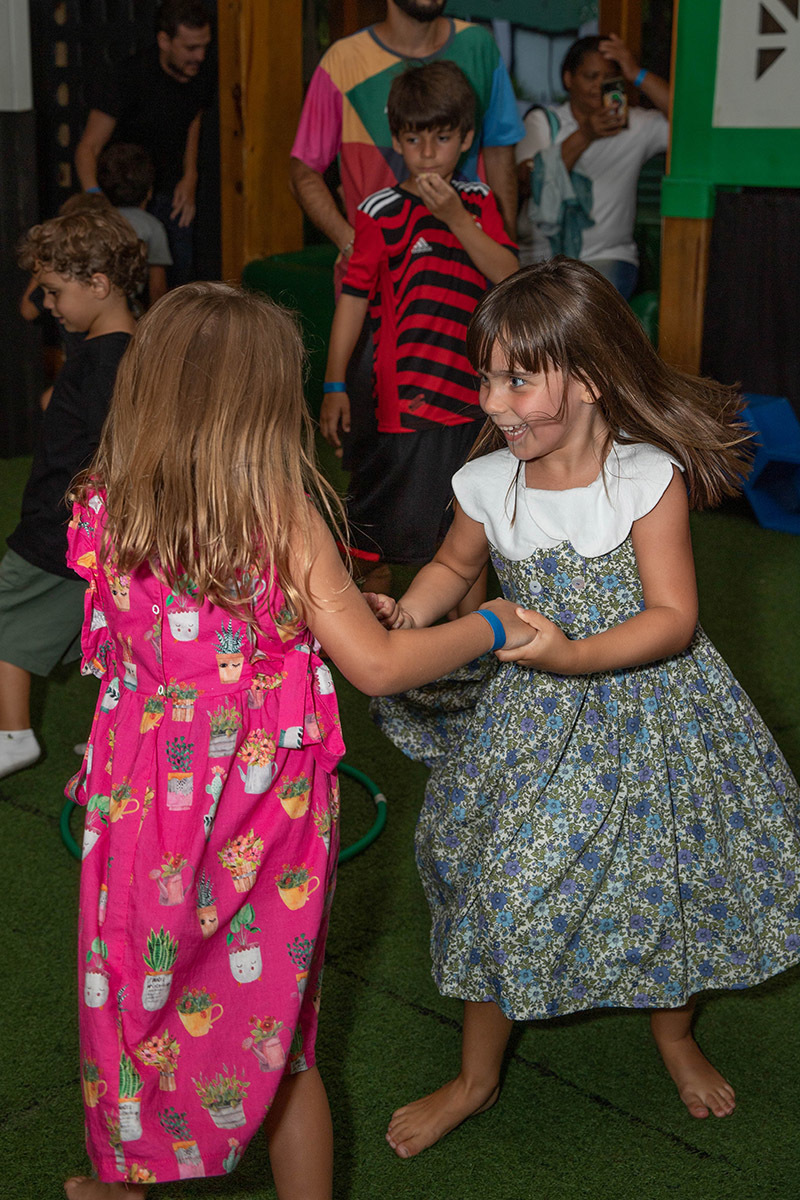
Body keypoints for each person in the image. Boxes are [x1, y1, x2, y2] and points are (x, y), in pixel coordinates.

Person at [60, 282, 535, 1199]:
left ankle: (118, 1180)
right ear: (259, 401)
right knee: (274, 1026)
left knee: (131, 994)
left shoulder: (102, 505)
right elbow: (381, 668)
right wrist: (495, 626)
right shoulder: (278, 514)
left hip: (140, 797)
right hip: (254, 809)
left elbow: (133, 649)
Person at [367, 258, 800, 1159]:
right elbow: (453, 568)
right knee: (496, 879)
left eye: (517, 378)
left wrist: (568, 652)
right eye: (486, 375)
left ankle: (674, 1035)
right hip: (530, 723)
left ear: (592, 377)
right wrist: (405, 615)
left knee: (670, 882)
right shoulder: (489, 482)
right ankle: (477, 1077)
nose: (493, 399)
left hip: (654, 717)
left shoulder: (646, 478)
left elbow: (673, 619)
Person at [322, 61, 518, 596]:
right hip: (404, 405)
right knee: (375, 527)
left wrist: (458, 220)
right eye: (414, 138)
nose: (428, 151)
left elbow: (509, 277)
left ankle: (463, 663)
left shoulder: (477, 203)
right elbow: (353, 301)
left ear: (467, 138)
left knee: (463, 532)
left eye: (443, 136)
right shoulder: (378, 212)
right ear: (396, 140)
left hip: (475, 400)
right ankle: (376, 630)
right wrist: (335, 383)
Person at [0, 210, 145, 782]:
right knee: (112, 638)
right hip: (78, 530)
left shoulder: (109, 358)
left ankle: (12, 736)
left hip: (60, 531)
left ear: (99, 286)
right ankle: (115, 740)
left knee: (5, 617)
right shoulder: (111, 348)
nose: (49, 303)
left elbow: (117, 451)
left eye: (56, 291)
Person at [290, 0, 525, 259]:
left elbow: (499, 151)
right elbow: (303, 172)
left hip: (469, 272)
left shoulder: (478, 44)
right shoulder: (343, 60)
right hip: (377, 278)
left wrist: (507, 253)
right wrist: (350, 244)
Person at [515, 33, 669, 297]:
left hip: (607, 259)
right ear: (568, 79)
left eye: (608, 77)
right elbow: (528, 182)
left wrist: (637, 74)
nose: (599, 85)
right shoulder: (545, 122)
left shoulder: (635, 125)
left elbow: (691, 123)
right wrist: (585, 134)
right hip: (540, 260)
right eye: (590, 76)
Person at [74, 0, 213, 287]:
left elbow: (193, 120)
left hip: (170, 192)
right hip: (124, 195)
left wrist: (190, 175)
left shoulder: (201, 74)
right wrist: (97, 200)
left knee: (178, 277)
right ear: (164, 40)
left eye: (204, 46)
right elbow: (88, 148)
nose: (200, 56)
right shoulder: (128, 77)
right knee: (120, 282)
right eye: (190, 48)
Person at [97, 143, 173, 306]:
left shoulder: (93, 220)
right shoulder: (153, 227)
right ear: (149, 191)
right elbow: (157, 288)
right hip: (126, 308)